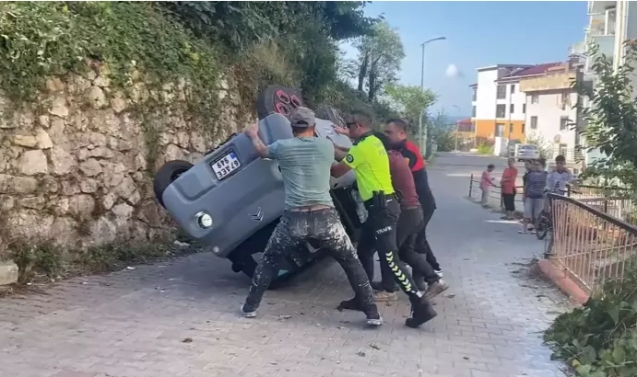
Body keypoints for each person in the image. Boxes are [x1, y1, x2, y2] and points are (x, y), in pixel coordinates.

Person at [240, 107, 383, 327]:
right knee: (351, 262)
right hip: (326, 216)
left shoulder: (282, 147)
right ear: (313, 127)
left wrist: (252, 134)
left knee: (269, 260)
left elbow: (261, 151)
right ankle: (372, 314)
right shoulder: (325, 146)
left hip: (294, 218)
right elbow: (343, 158)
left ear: (291, 127)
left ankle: (250, 307)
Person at [331, 110, 437, 329]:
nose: (348, 130)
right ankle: (363, 297)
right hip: (380, 208)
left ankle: (421, 305)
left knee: (391, 259)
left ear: (358, 126)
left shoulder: (363, 147)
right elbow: (348, 154)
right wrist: (330, 147)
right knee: (364, 250)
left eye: (349, 126)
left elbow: (338, 171)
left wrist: (319, 154)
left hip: (383, 210)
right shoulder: (374, 143)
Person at [352, 132, 449, 302]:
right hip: (414, 210)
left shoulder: (385, 161)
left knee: (388, 252)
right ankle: (433, 280)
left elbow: (358, 161)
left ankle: (390, 289)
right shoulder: (395, 156)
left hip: (404, 212)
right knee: (404, 251)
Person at [383, 119, 443, 280]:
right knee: (414, 241)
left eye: (390, 133)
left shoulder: (407, 151)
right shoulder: (397, 148)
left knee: (413, 242)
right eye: (385, 133)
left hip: (420, 204)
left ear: (402, 134)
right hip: (414, 204)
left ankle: (429, 275)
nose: (386, 136)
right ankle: (426, 277)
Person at [521, 158, 547, 234]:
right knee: (526, 212)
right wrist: (524, 195)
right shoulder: (530, 174)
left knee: (537, 214)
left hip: (540, 196)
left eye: (538, 165)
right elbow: (527, 185)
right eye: (535, 164)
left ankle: (535, 229)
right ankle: (524, 228)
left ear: (543, 165)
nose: (536, 166)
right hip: (530, 196)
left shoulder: (546, 175)